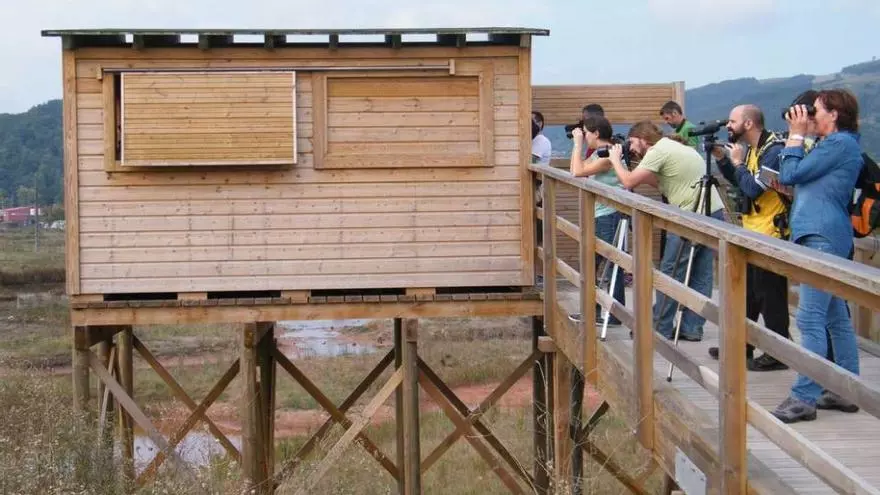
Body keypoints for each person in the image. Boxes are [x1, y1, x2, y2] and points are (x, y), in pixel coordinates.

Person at [771, 89, 863, 423]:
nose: (811, 115)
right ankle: (846, 390)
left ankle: (804, 397)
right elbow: (796, 177)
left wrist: (796, 135)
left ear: (834, 114)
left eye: (817, 110)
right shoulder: (834, 144)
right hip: (823, 234)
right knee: (835, 318)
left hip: (822, 237)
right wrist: (804, 136)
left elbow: (790, 174)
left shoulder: (840, 143)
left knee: (810, 319)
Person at [607, 121, 726, 341]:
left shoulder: (658, 150)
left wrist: (615, 160)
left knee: (671, 272)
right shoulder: (674, 147)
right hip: (712, 212)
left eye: (632, 143)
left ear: (643, 138)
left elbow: (628, 181)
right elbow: (663, 183)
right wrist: (633, 163)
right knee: (701, 274)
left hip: (689, 216)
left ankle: (658, 327)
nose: (631, 148)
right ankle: (692, 328)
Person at [708, 105, 791, 371]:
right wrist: (723, 160)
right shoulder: (755, 149)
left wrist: (738, 163)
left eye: (732, 121)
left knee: (771, 296)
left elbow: (754, 189)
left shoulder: (774, 152)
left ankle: (779, 354)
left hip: (771, 234)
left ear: (748, 124)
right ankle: (741, 345)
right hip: (753, 231)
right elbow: (740, 183)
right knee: (750, 294)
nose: (727, 126)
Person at [569, 115, 626, 326]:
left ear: (596, 133)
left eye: (585, 133)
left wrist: (577, 144)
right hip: (601, 214)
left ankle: (613, 315)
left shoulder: (609, 155)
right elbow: (575, 169)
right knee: (593, 264)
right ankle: (594, 312)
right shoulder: (599, 153)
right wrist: (578, 146)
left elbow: (577, 171)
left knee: (611, 265)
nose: (584, 136)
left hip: (609, 215)